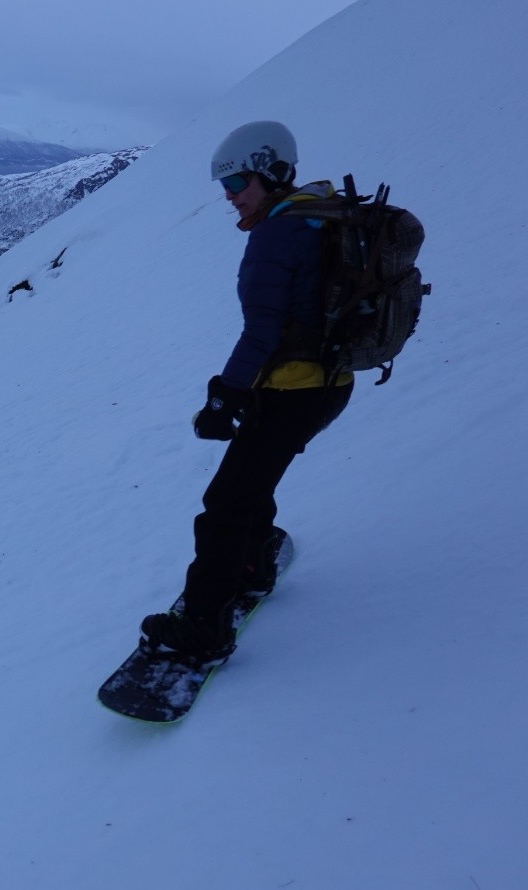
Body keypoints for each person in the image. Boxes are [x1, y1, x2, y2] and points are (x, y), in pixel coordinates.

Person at [137, 120, 354, 664]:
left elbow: (262, 331)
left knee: (224, 507)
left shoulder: (278, 233)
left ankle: (204, 630)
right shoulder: (319, 210)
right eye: (225, 188)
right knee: (251, 475)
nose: (230, 198)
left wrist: (225, 396)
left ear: (272, 173)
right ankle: (253, 568)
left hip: (293, 391)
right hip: (329, 384)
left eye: (237, 185)